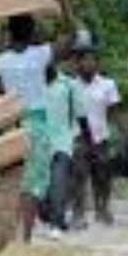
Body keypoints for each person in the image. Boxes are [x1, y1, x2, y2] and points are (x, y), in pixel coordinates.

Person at [0, 0, 77, 243]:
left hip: (11, 123)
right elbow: (73, 37)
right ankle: (24, 238)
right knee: (33, 184)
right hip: (37, 124)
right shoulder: (40, 55)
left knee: (15, 180)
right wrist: (63, 3)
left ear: (9, 33)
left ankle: (12, 235)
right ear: (32, 32)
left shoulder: (0, 61)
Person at [73, 43, 121, 226]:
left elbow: (113, 112)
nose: (88, 64)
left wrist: (116, 135)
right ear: (77, 64)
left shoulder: (108, 84)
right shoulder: (71, 86)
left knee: (102, 175)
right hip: (79, 138)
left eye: (92, 60)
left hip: (101, 136)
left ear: (97, 63)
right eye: (83, 60)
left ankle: (103, 208)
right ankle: (79, 213)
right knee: (78, 175)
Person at [41, 59, 88, 236]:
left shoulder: (69, 85)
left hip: (63, 142)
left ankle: (56, 223)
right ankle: (53, 218)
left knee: (58, 181)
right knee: (42, 188)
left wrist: (84, 139)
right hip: (38, 143)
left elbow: (81, 115)